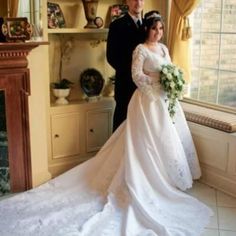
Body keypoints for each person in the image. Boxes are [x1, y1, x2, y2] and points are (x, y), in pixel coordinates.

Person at [0, 11, 213, 236]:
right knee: (138, 141)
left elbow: (168, 68)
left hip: (162, 101)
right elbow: (136, 74)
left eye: (160, 29)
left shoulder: (163, 49)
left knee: (162, 139)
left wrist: (169, 82)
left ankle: (165, 179)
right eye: (154, 28)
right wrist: (154, 86)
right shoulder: (136, 44)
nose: (158, 32)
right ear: (147, 29)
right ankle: (137, 180)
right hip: (145, 99)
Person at [107, 0, 145, 131]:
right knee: (121, 125)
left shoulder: (148, 25)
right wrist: (134, 72)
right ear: (127, 2)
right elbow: (111, 57)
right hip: (125, 85)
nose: (138, 2)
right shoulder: (117, 25)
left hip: (144, 87)